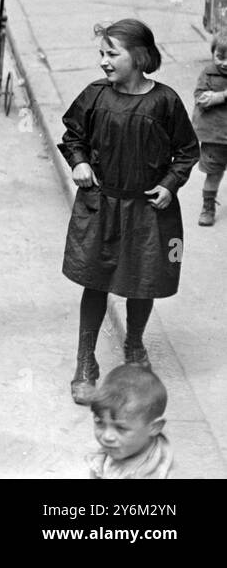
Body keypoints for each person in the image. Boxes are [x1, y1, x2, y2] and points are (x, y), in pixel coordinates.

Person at [59, 20, 198, 405]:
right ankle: (85, 361)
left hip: (148, 210)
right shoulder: (95, 96)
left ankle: (134, 342)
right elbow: (73, 135)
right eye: (101, 53)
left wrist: (170, 184)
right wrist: (79, 161)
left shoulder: (165, 101)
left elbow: (187, 151)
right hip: (102, 204)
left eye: (112, 53)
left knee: (144, 278)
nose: (103, 61)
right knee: (96, 279)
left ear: (139, 57)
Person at [86, 365, 173, 479]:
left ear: (154, 427)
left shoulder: (154, 474)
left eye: (121, 428)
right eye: (99, 423)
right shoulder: (125, 447)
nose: (107, 436)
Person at [191, 30, 227, 227]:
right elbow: (200, 97)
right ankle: (208, 207)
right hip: (215, 137)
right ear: (213, 54)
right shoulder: (208, 73)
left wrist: (220, 96)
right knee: (213, 174)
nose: (225, 63)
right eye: (220, 57)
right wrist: (215, 97)